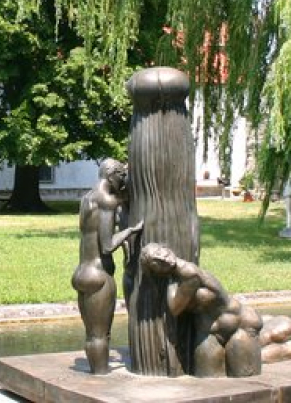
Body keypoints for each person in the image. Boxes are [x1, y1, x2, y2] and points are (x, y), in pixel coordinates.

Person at [139, 242, 263, 377]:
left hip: (239, 325)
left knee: (243, 377)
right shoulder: (177, 276)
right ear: (155, 272)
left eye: (159, 252)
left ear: (166, 248)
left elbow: (175, 309)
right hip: (210, 332)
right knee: (207, 378)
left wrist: (169, 282)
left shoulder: (189, 273)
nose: (162, 259)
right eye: (155, 263)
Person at [71, 159, 143, 374]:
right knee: (100, 334)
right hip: (99, 275)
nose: (123, 180)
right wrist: (131, 230)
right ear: (111, 174)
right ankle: (100, 378)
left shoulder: (88, 197)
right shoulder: (107, 200)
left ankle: (96, 371)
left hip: (81, 272)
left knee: (91, 333)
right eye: (121, 175)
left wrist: (123, 199)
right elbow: (108, 244)